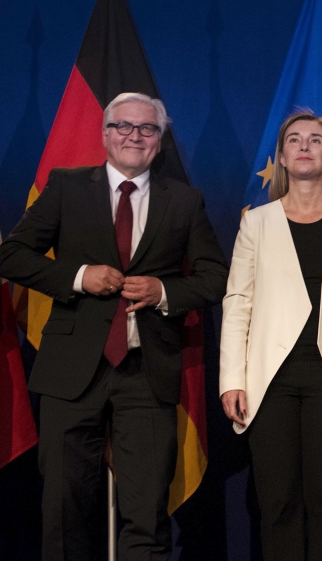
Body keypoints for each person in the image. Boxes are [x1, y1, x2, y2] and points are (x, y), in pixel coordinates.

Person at [0, 92, 228, 560]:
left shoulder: (184, 201)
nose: (134, 136)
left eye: (147, 128)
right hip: (70, 371)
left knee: (146, 514)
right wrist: (80, 277)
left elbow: (215, 278)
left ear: (159, 141)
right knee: (64, 510)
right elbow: (12, 256)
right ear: (105, 135)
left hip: (146, 372)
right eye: (123, 126)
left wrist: (163, 292)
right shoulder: (65, 186)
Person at [218, 111, 322, 561]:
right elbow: (238, 303)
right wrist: (232, 379)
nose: (304, 146)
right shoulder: (256, 223)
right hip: (270, 381)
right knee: (278, 503)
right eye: (294, 139)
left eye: (315, 140)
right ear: (282, 157)